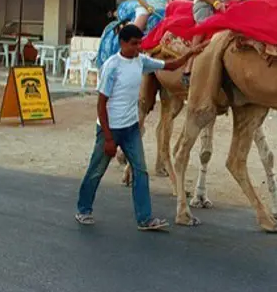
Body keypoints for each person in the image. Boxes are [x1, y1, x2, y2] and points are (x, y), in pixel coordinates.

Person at [75, 24, 198, 231]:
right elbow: (101, 103)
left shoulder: (141, 61)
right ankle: (83, 209)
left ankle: (145, 218)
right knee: (96, 171)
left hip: (131, 128)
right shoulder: (112, 66)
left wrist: (192, 53)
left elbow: (169, 65)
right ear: (123, 43)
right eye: (134, 44)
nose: (138, 47)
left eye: (140, 43)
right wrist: (108, 138)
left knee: (141, 172)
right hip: (110, 129)